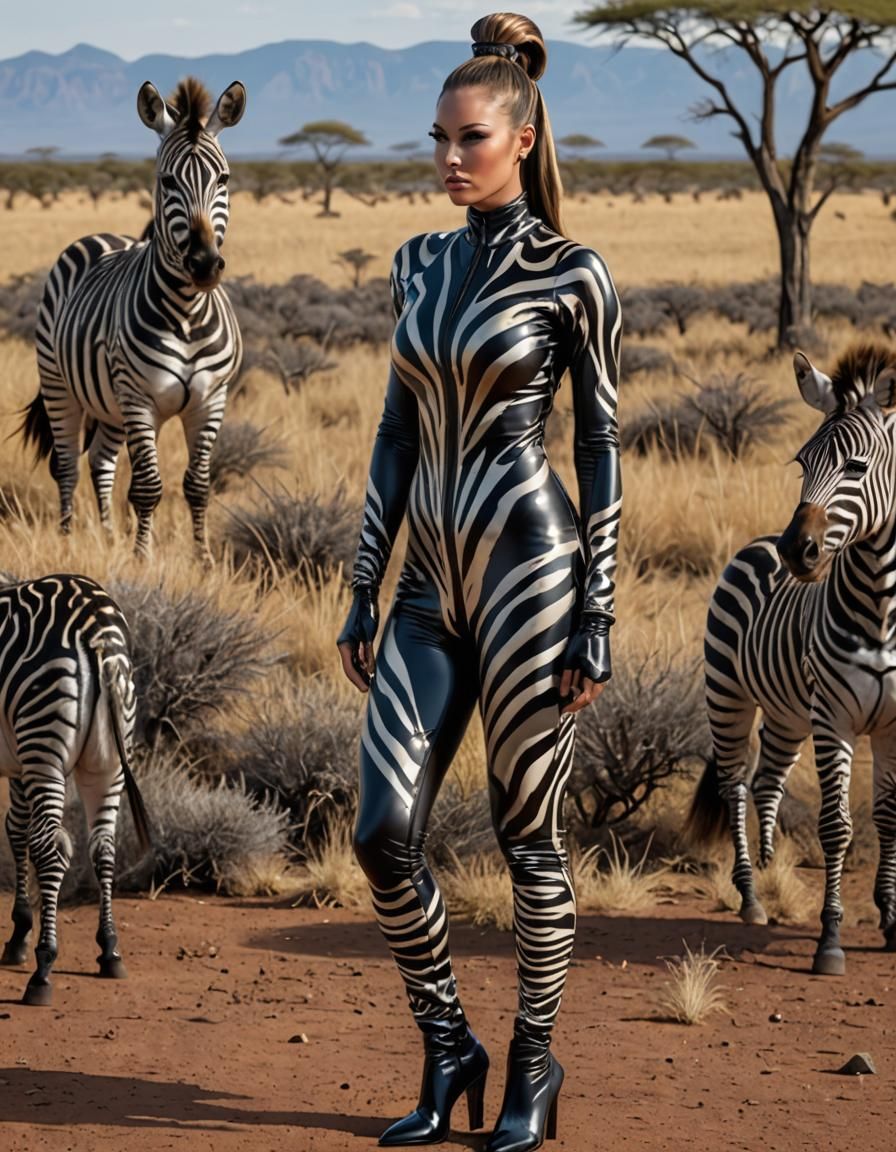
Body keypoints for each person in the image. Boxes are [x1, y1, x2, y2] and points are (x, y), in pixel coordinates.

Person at [337, 12, 621, 1150]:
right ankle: (448, 1039)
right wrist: (363, 583)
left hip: (530, 578)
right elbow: (394, 433)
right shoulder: (416, 262)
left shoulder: (575, 274)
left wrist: (597, 611)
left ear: (523, 137)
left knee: (525, 838)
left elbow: (599, 446)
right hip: (424, 587)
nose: (450, 157)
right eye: (439, 139)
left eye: (471, 138)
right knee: (380, 830)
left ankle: (535, 1065)